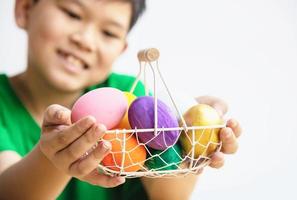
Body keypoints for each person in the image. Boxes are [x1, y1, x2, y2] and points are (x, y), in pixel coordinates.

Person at [0, 0, 242, 199]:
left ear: (121, 49)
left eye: (108, 33)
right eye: (72, 14)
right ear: (25, 9)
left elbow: (166, 196)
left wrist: (185, 141)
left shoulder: (129, 97)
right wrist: (54, 156)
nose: (85, 40)